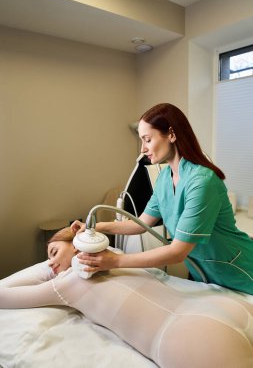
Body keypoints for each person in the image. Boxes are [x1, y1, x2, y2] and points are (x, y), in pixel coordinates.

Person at [1, 227, 253, 368]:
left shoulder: (68, 283)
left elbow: (4, 295)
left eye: (53, 252)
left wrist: (49, 271)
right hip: (227, 307)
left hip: (190, 340)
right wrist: (57, 260)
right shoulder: (117, 256)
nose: (51, 263)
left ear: (79, 243)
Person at [71, 103, 253, 295]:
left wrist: (115, 261)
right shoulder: (165, 179)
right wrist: (96, 227)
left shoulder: (202, 182)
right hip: (209, 278)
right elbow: (141, 224)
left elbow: (177, 252)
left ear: (172, 134)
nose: (143, 149)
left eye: (147, 140)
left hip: (242, 273)